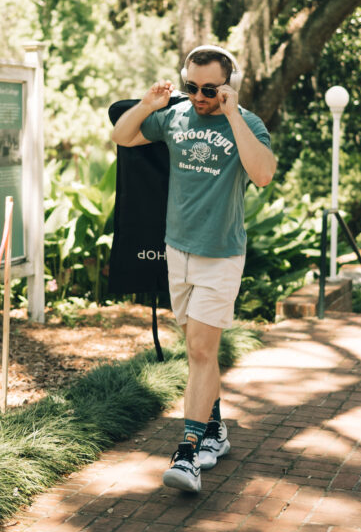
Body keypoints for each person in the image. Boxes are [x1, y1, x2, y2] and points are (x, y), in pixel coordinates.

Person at [110, 45, 276, 493]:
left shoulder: (247, 124)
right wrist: (148, 104)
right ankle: (215, 432)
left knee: (202, 350)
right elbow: (123, 137)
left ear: (227, 85)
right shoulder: (176, 117)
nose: (200, 97)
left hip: (221, 254)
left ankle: (187, 454)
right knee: (197, 349)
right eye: (192, 87)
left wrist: (233, 113)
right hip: (177, 251)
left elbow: (262, 174)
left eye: (209, 89)